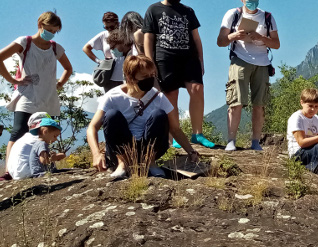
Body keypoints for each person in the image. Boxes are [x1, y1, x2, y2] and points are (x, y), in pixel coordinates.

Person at [86, 55, 199, 179]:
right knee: (112, 115)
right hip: (123, 146)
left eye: (152, 75)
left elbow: (175, 129)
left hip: (149, 146)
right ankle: (123, 163)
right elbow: (92, 127)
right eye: (145, 76)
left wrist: (191, 151)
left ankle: (150, 163)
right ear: (130, 77)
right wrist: (96, 154)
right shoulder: (113, 97)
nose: (150, 79)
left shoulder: (158, 97)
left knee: (159, 114)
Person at [142, 0, 215, 149]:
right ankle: (174, 136)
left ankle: (197, 134)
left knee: (197, 89)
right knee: (170, 96)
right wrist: (149, 64)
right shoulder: (153, 10)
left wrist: (201, 60)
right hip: (165, 59)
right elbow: (148, 39)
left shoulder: (188, 11)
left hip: (189, 58)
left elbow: (196, 38)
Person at [217, 0, 280, 152]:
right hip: (240, 61)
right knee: (236, 101)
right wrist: (234, 36)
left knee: (259, 104)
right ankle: (231, 141)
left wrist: (261, 37)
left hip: (262, 63)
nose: (253, 0)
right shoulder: (232, 14)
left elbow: (276, 44)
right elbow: (220, 41)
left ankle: (255, 142)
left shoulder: (267, 17)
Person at [0, 11, 73, 156]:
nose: (51, 33)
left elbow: (68, 68)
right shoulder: (24, 42)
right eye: (49, 30)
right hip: (27, 96)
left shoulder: (55, 48)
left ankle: (41, 166)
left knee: (44, 134)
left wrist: (59, 85)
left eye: (54, 31)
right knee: (18, 132)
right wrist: (13, 80)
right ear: (40, 25)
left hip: (48, 99)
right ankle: (9, 171)